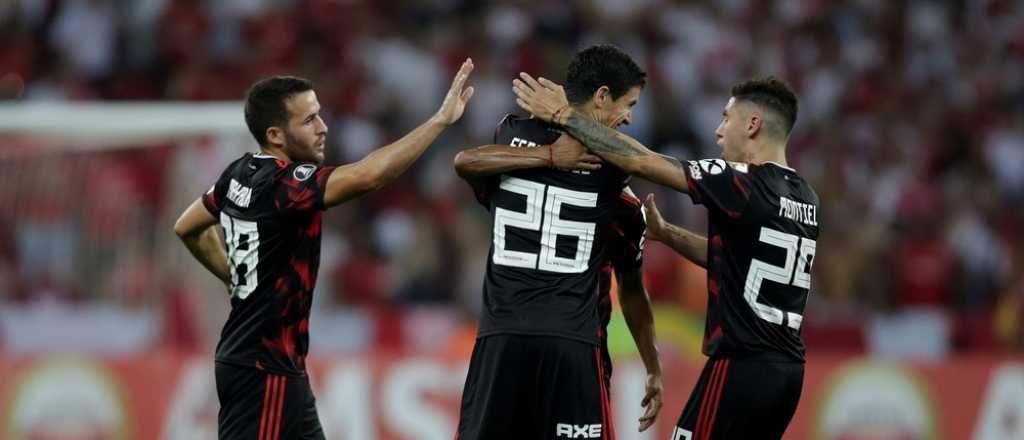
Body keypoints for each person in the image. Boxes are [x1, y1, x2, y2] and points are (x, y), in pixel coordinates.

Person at [173, 59, 475, 440]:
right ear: (276, 135)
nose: (323, 128)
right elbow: (368, 175)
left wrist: (235, 278)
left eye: (320, 116)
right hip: (263, 370)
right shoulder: (286, 185)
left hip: (275, 365)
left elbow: (187, 226)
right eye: (309, 120)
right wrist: (438, 122)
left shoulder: (239, 172)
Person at [514, 74, 818, 439]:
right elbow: (737, 260)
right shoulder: (806, 198)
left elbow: (642, 161)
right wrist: (668, 233)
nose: (719, 131)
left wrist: (566, 116)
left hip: (741, 365)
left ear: (753, 125)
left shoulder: (740, 182)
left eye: (726, 118)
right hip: (788, 373)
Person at [452, 45, 662, 439]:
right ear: (601, 96)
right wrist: (653, 367)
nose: (630, 117)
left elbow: (466, 161)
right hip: (573, 346)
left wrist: (547, 150)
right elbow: (631, 287)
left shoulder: (511, 135)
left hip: (501, 340)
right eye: (628, 103)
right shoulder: (615, 170)